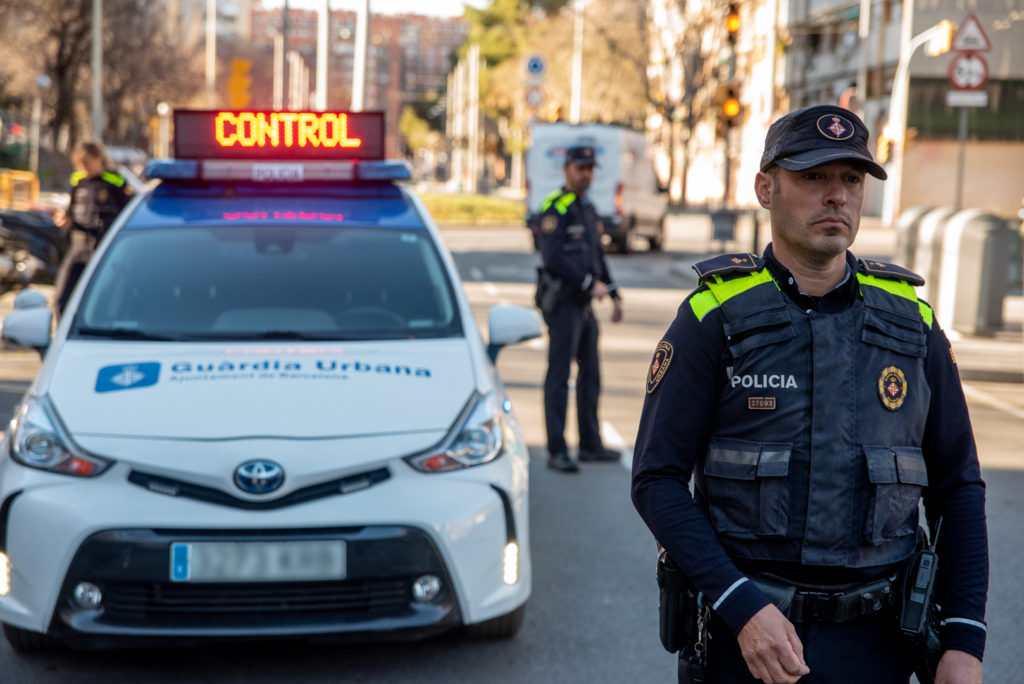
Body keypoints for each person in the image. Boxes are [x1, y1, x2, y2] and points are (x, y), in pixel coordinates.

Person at [631, 104, 987, 683]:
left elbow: (959, 486)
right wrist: (741, 607)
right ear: (765, 189)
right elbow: (656, 480)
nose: (836, 196)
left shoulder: (911, 323)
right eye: (813, 176)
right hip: (745, 643)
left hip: (880, 645)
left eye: (851, 179)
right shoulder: (713, 318)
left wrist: (965, 639)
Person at [536, 144, 625, 473]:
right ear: (567, 169)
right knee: (559, 378)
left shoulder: (588, 209)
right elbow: (553, 258)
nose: (585, 173)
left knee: (591, 377)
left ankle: (590, 444)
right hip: (562, 304)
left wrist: (614, 294)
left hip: (585, 307)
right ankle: (557, 450)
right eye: (580, 167)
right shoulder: (554, 208)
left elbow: (596, 258)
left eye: (589, 168)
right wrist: (590, 284)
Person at [53, 140, 132, 316]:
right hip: (78, 247)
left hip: (104, 249)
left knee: (102, 303)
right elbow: (70, 210)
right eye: (80, 163)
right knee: (61, 300)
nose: (84, 167)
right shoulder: (78, 180)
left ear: (99, 158)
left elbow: (129, 216)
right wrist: (64, 218)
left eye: (87, 162)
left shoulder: (116, 181)